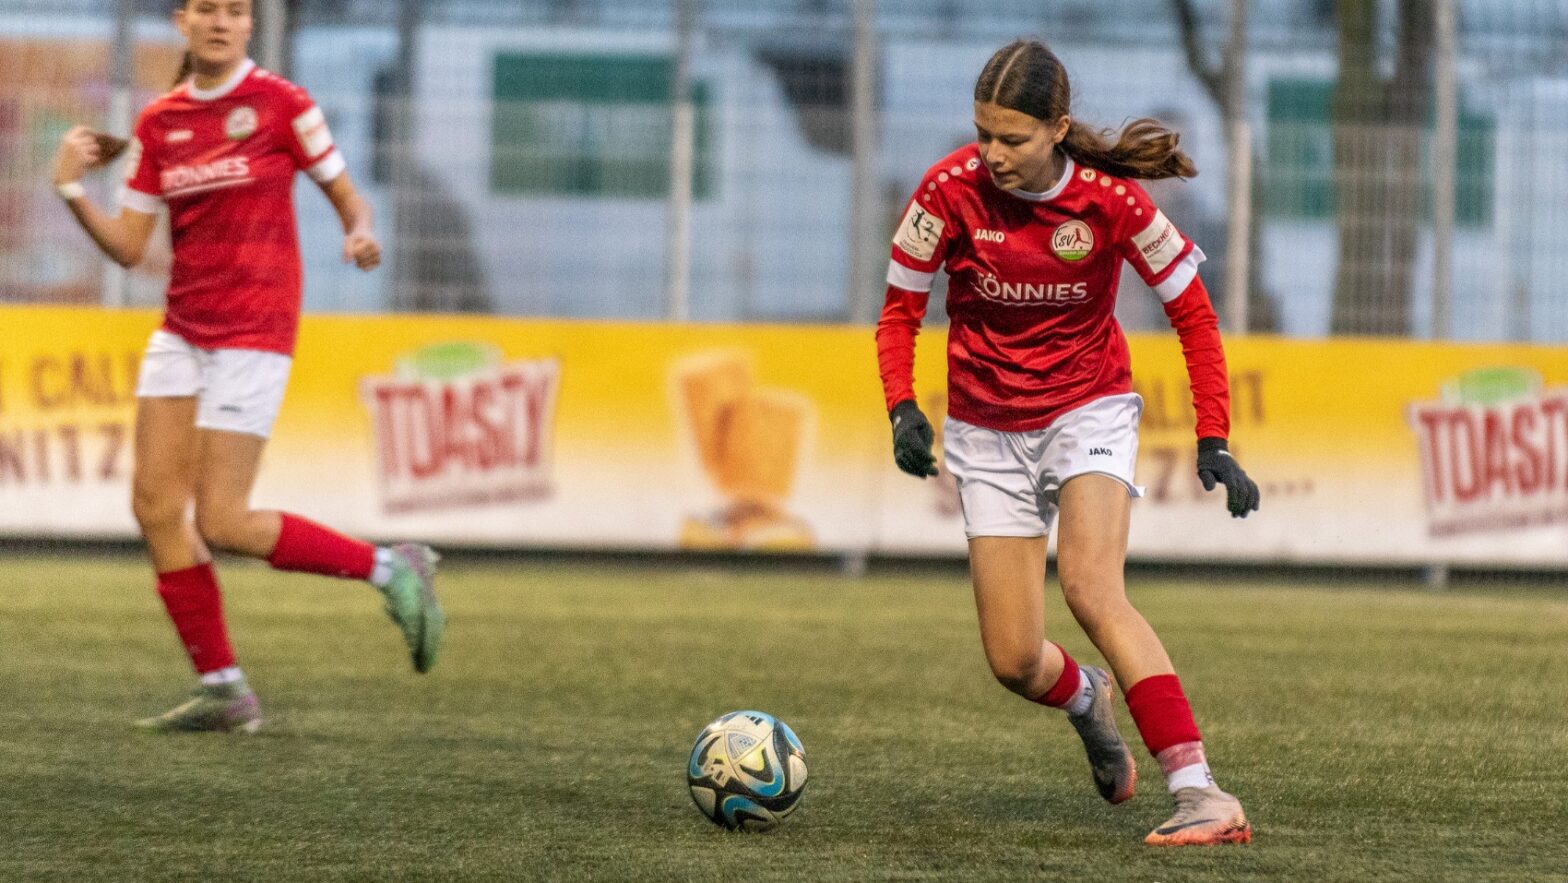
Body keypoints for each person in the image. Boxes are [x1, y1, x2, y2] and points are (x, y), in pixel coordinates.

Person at [876, 40, 1260, 846]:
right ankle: (1086, 697)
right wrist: (903, 408)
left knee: (1091, 587)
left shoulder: (1111, 204)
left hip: (1088, 412)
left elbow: (1193, 313)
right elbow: (900, 311)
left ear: (1056, 129)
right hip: (985, 428)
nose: (992, 153)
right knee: (1014, 660)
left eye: (1011, 138)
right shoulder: (945, 192)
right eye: (982, 133)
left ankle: (1201, 792)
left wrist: (1214, 435)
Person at [51, 0, 444, 734]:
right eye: (208, 8)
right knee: (156, 507)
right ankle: (224, 687)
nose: (223, 21)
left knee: (224, 518)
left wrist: (359, 233)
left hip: (255, 329)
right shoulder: (159, 122)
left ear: (250, 25)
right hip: (182, 332)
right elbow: (131, 248)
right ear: (182, 21)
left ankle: (393, 569)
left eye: (236, 9)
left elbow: (347, 196)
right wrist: (71, 189)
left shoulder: (284, 104)